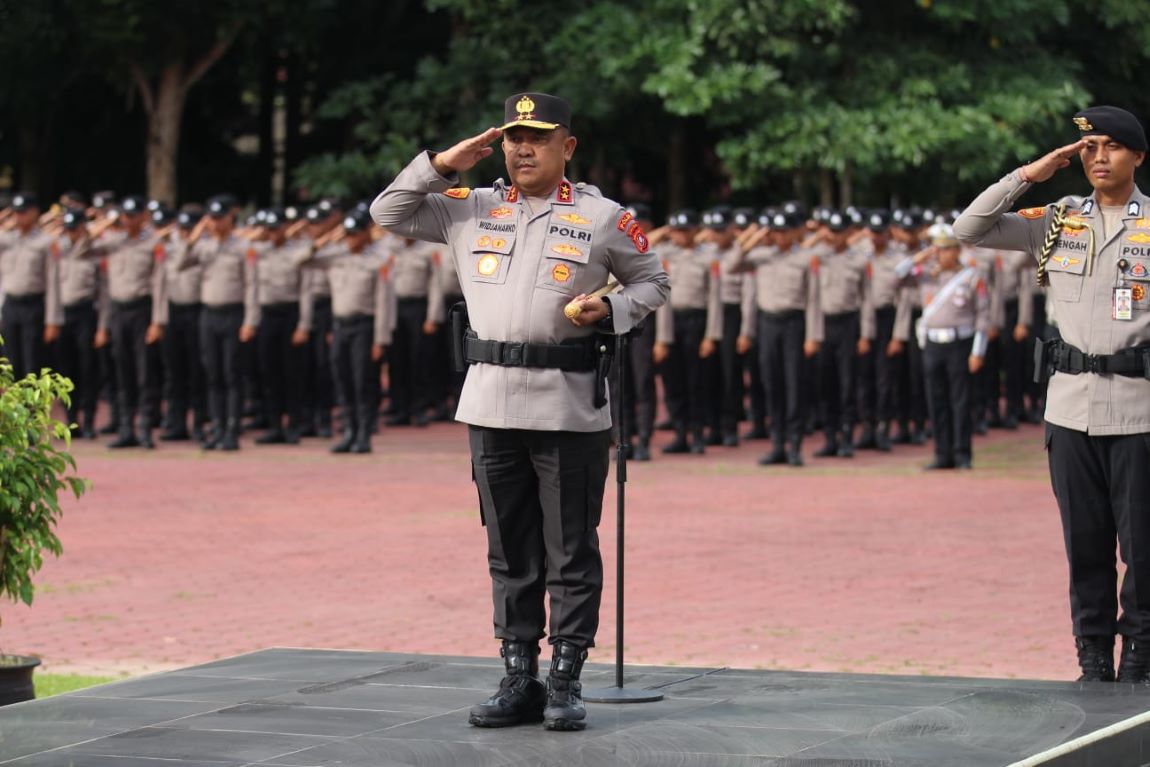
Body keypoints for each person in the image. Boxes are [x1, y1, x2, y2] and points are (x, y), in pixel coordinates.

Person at [370, 91, 668, 731]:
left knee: (570, 550)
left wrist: (611, 311)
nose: (522, 148)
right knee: (509, 550)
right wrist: (444, 163)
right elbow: (387, 211)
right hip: (491, 399)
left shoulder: (603, 216)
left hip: (567, 404)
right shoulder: (470, 207)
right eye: (512, 138)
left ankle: (565, 678)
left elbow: (653, 281)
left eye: (537, 137)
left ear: (568, 145)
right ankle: (518, 675)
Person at [954, 106, 1150, 683]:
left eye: (1112, 147)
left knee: (1142, 549)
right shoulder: (1060, 219)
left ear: (1137, 156)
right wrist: (1030, 175)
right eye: (1088, 149)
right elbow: (969, 228)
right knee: (1084, 544)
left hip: (1139, 412)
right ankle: (1092, 656)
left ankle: (1140, 653)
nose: (1098, 157)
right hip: (1069, 411)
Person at [895, 223, 988, 470]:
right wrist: (922, 255)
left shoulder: (971, 276)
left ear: (957, 251)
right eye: (939, 249)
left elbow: (982, 316)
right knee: (935, 400)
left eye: (947, 250)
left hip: (960, 343)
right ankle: (942, 453)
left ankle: (962, 454)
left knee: (959, 400)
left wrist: (978, 351)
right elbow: (897, 274)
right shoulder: (927, 275)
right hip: (933, 343)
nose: (942, 254)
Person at [0, 193, 62, 379]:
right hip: (11, 305)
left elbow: (53, 283)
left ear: (35, 213)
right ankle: (13, 408)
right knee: (10, 363)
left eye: (23, 212)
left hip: (33, 306)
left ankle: (32, 408)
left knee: (32, 362)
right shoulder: (7, 240)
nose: (19, 217)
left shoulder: (46, 242)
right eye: (16, 212)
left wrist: (53, 320)